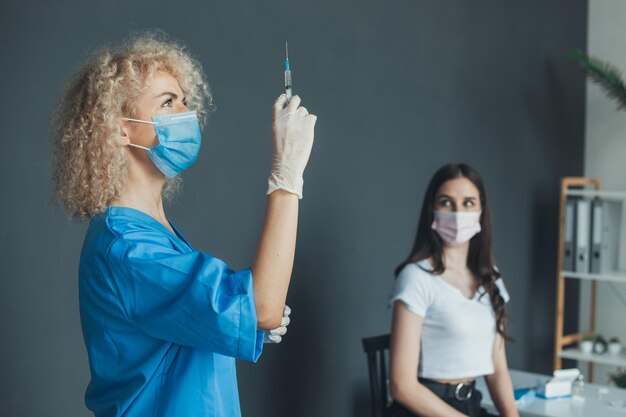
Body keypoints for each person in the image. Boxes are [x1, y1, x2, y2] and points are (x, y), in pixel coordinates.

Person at [51, 33, 316, 417]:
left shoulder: (153, 234)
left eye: (185, 100)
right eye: (167, 102)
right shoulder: (127, 247)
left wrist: (245, 317)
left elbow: (186, 332)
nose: (186, 113)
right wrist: (286, 177)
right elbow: (263, 306)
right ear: (120, 128)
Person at [388, 164, 519, 417]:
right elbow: (401, 386)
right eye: (446, 203)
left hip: (470, 404)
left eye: (468, 203)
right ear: (432, 211)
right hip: (424, 409)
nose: (458, 213)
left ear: (481, 211)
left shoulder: (490, 277)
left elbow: (498, 368)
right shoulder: (415, 278)